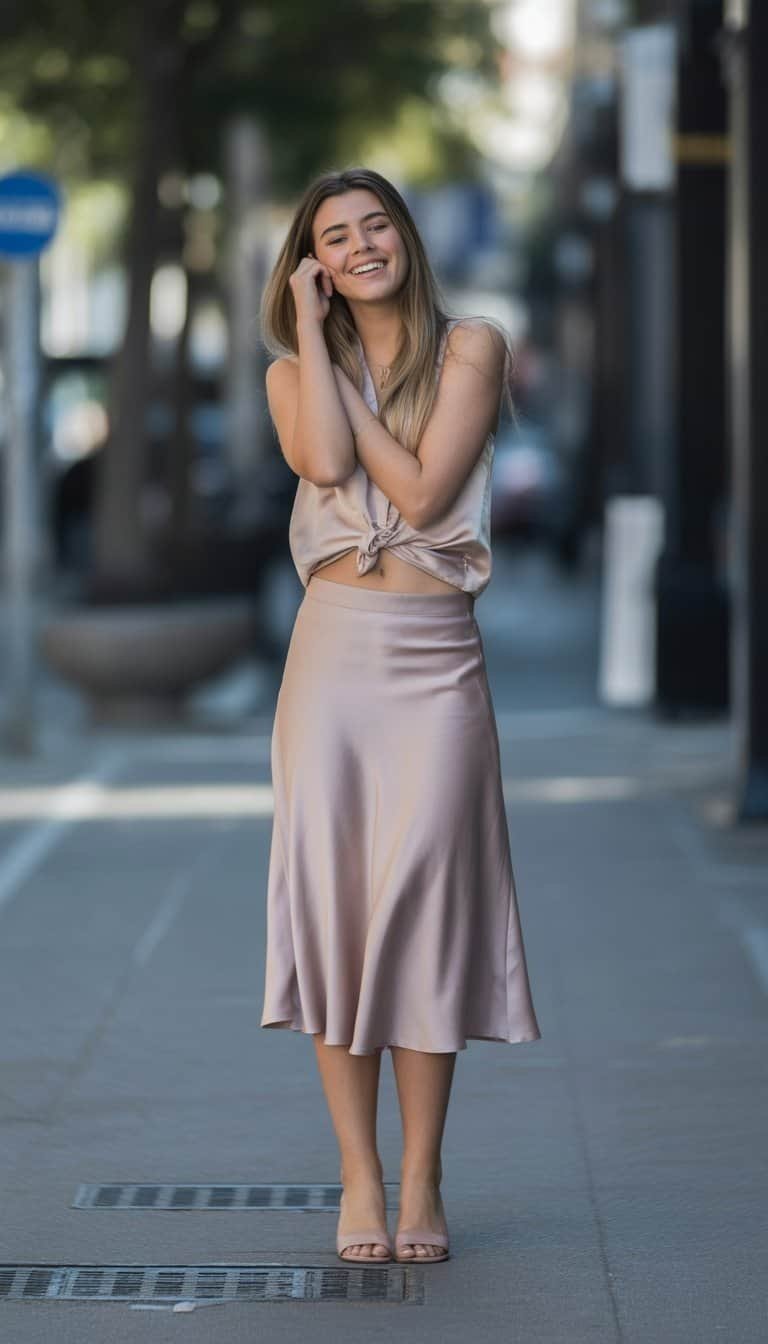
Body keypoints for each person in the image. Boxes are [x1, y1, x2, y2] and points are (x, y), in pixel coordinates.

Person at [258, 167, 541, 1267]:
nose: (362, 245)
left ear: (408, 238)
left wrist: (351, 385)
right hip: (330, 658)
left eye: (377, 224)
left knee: (425, 905)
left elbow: (422, 496)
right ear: (314, 265)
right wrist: (317, 345)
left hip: (435, 659)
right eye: (336, 237)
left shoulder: (473, 346)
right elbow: (327, 461)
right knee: (337, 913)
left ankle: (423, 1172)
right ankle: (360, 1177)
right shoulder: (294, 375)